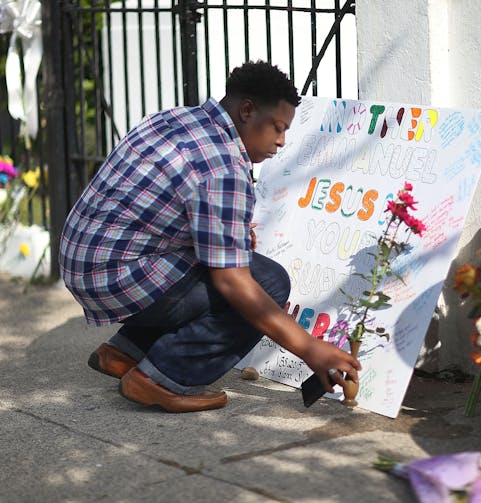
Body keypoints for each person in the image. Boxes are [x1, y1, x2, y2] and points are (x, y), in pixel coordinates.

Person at [59, 60, 360, 413]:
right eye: (277, 127)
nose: (281, 141)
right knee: (268, 282)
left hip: (84, 261)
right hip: (116, 276)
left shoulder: (174, 118)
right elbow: (234, 284)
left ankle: (126, 352)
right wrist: (310, 348)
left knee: (233, 264)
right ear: (247, 111)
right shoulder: (223, 168)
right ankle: (163, 376)